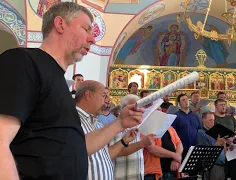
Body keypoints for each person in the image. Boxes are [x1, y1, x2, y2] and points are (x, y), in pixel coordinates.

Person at [0, 2, 144, 179]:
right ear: (60, 24)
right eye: (86, 29)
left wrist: (119, 124)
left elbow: (76, 146)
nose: (92, 39)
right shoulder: (24, 62)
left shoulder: (60, 83)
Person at [75, 80, 139, 179]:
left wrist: (124, 141)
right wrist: (120, 123)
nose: (107, 100)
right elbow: (78, 150)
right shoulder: (72, 120)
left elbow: (104, 155)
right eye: (104, 96)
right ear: (88, 95)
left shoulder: (97, 123)